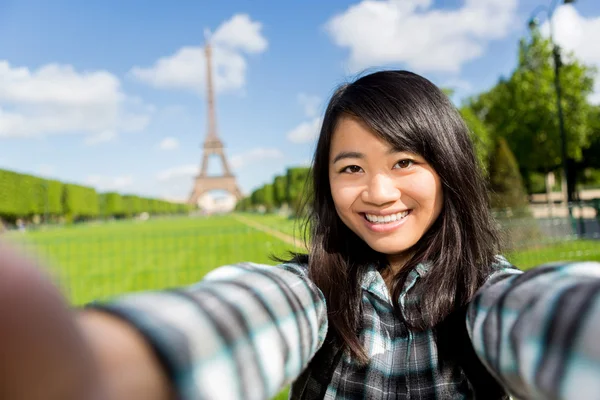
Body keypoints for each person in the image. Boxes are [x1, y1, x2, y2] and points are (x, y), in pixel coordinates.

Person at [1, 70, 600, 400]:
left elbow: (546, 316)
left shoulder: (488, 292)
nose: (379, 192)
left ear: (449, 169)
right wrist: (114, 363)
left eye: (404, 162)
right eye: (350, 168)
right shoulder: (311, 290)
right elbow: (248, 312)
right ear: (326, 182)